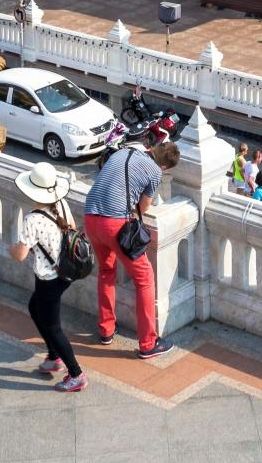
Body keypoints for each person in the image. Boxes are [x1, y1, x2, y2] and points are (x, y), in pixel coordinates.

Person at [82, 140, 178, 359]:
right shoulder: (154, 171)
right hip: (114, 223)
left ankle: (106, 330)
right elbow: (143, 207)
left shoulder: (123, 152)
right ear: (164, 167)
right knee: (144, 277)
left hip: (90, 217)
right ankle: (148, 342)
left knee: (106, 271)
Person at [10, 161, 86, 394]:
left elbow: (20, 255)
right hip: (64, 273)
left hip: (48, 278)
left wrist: (12, 248)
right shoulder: (61, 204)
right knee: (35, 307)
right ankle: (53, 356)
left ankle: (76, 374)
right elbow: (71, 227)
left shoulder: (32, 220)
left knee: (54, 327)